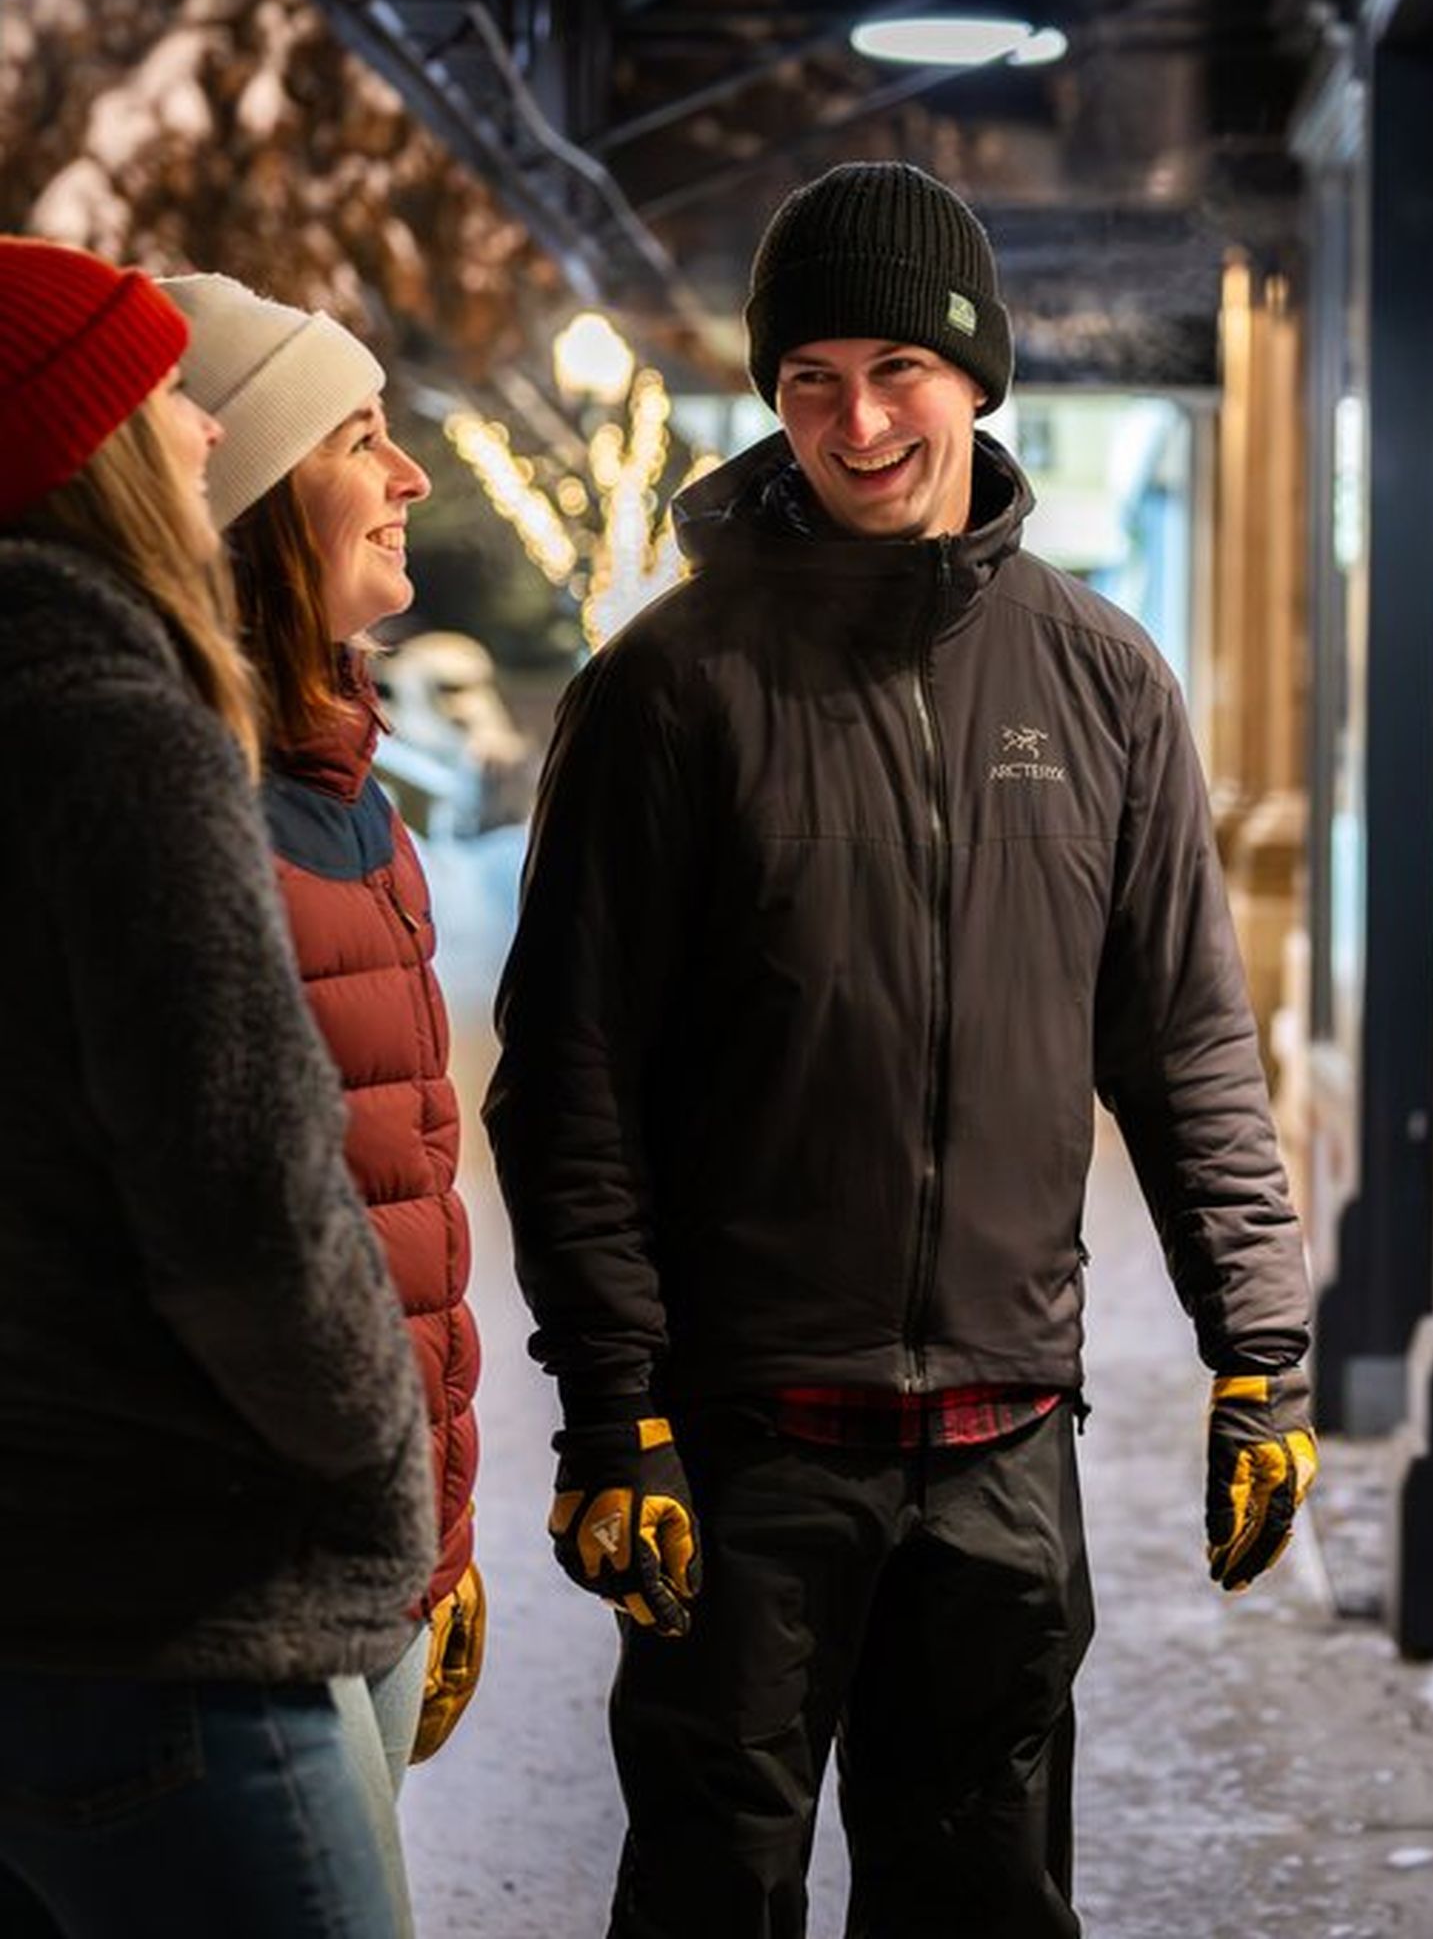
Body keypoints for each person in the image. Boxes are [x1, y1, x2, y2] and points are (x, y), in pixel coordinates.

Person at [485, 161, 1317, 1939]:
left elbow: (1183, 1045)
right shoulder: (668, 692)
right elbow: (570, 1081)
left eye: (897, 369)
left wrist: (1259, 1347)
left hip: (1004, 1449)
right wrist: (613, 1410)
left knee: (983, 1906)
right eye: (808, 380)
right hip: (741, 1453)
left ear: (978, 374)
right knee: (714, 1896)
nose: (855, 420)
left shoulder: (1101, 682)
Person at [0, 236, 435, 1937]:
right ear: (99, 448)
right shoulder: (125, 728)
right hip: (192, 1599)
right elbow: (246, 1197)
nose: (196, 430)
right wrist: (376, 1456)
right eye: (164, 397)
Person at [157, 272, 485, 1793]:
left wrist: (443, 1537)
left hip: (377, 1542)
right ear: (257, 493)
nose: (410, 474)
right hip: (252, 1576)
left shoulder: (352, 791)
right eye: (361, 437)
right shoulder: (185, 802)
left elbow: (399, 1201)